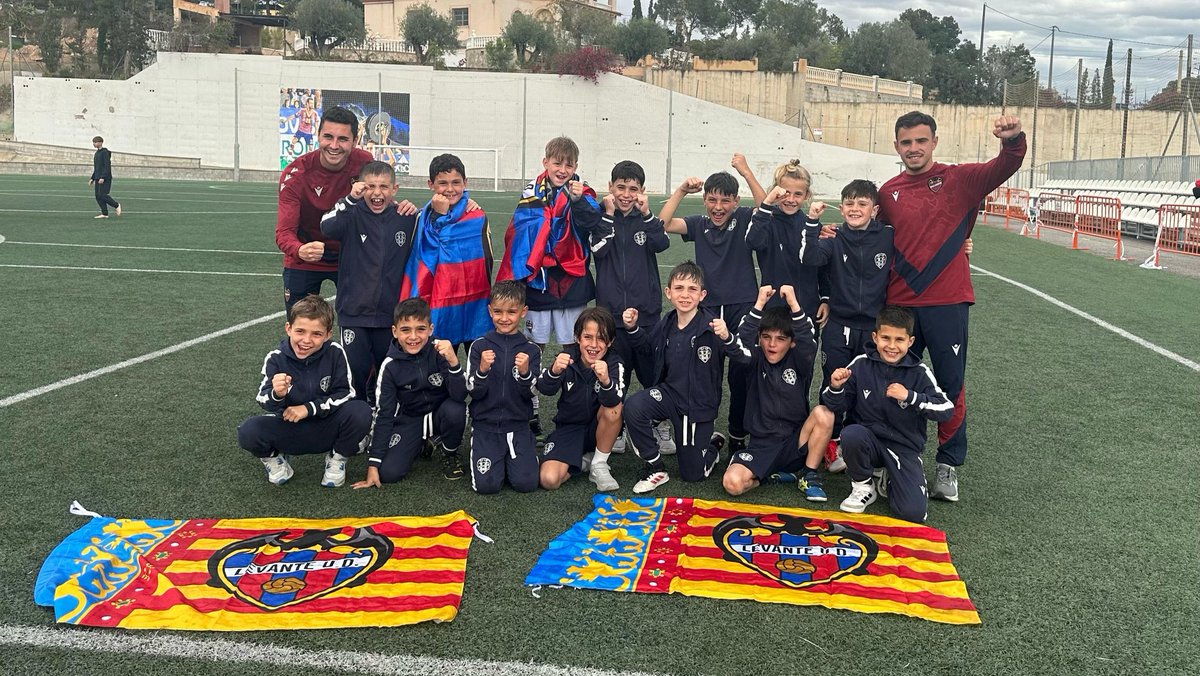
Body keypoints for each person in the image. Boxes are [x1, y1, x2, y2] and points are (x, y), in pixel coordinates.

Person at [879, 111, 1025, 502]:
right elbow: (872, 238)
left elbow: (1006, 164)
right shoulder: (887, 192)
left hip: (948, 301)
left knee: (950, 384)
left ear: (934, 142)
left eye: (920, 141)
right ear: (896, 146)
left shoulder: (960, 179)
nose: (913, 148)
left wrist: (1012, 139)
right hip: (900, 303)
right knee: (895, 381)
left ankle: (947, 464)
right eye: (906, 142)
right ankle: (896, 457)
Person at [658, 154, 765, 457]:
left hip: (742, 306)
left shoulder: (744, 218)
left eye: (725, 201)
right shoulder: (699, 224)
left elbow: (765, 206)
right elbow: (662, 224)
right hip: (706, 309)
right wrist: (681, 190)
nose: (718, 207)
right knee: (705, 371)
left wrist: (745, 171)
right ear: (704, 200)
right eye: (712, 200)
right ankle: (704, 428)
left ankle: (737, 433)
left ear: (736, 202)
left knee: (742, 371)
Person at [497, 136, 602, 441]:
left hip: (572, 285)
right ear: (546, 163)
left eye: (569, 164)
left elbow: (593, 221)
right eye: (557, 163)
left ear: (576, 166)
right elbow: (518, 234)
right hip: (538, 285)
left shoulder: (583, 192)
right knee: (534, 349)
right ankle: (528, 409)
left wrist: (578, 200)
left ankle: (574, 410)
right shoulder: (531, 193)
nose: (563, 169)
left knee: (575, 349)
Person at [620, 261, 751, 493]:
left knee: (693, 475)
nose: (685, 295)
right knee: (634, 406)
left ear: (702, 295)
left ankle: (712, 446)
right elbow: (647, 348)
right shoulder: (667, 322)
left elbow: (744, 358)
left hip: (697, 406)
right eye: (679, 288)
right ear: (668, 292)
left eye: (692, 289)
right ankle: (655, 467)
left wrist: (727, 337)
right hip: (669, 395)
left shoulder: (713, 326)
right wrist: (632, 328)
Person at [820, 306, 954, 523]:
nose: (892, 346)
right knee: (852, 434)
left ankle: (891, 478)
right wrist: (836, 387)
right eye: (885, 338)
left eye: (899, 340)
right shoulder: (860, 364)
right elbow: (835, 405)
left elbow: (946, 409)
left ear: (910, 341)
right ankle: (863, 486)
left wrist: (910, 397)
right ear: (875, 337)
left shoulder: (919, 372)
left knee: (912, 513)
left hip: (903, 447)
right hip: (868, 441)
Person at [276, 106, 415, 311]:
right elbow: (284, 232)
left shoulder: (364, 163)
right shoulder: (295, 175)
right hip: (305, 257)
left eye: (342, 139)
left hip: (352, 255)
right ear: (318, 136)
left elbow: (380, 196)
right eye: (328, 137)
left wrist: (400, 206)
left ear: (355, 140)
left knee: (357, 320)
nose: (334, 145)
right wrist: (299, 249)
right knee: (301, 323)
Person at [799, 180, 893, 464]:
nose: (855, 209)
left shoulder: (888, 236)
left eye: (862, 204)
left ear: (874, 210)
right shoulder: (834, 237)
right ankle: (831, 440)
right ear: (841, 209)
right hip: (838, 326)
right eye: (849, 204)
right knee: (833, 382)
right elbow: (809, 257)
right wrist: (812, 222)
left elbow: (919, 249)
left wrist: (961, 248)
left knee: (869, 386)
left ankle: (859, 441)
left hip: (873, 328)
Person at [236, 294, 371, 487]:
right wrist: (277, 394)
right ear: (288, 328)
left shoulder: (335, 352)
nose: (306, 340)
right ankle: (275, 459)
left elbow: (346, 393)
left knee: (361, 411)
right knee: (248, 431)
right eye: (300, 331)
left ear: (328, 334)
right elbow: (263, 399)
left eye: (316, 334)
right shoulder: (276, 358)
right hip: (291, 427)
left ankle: (337, 458)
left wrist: (308, 408)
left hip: (327, 425)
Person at [722, 285, 834, 501]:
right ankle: (770, 477)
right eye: (766, 337)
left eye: (781, 339)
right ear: (759, 338)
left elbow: (808, 340)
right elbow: (741, 341)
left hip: (796, 442)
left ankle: (809, 475)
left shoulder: (800, 361)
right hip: (761, 446)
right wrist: (759, 304)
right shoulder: (753, 359)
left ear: (792, 342)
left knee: (824, 414)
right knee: (732, 483)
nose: (772, 344)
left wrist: (793, 303)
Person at [319, 160, 417, 402]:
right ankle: (359, 416)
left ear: (394, 189)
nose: (376, 193)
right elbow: (327, 227)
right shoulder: (350, 214)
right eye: (370, 186)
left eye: (383, 186)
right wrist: (350, 200)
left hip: (389, 315)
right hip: (354, 313)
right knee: (356, 373)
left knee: (388, 373)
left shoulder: (406, 217)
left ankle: (384, 416)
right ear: (360, 186)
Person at [352, 298, 468, 488]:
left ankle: (450, 453)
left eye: (420, 329)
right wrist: (374, 463)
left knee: (456, 410)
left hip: (441, 414)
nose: (413, 337)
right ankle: (422, 443)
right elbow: (384, 414)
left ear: (430, 329)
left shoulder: (440, 351)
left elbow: (460, 395)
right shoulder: (390, 366)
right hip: (410, 419)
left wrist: (454, 362)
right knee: (388, 473)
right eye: (405, 330)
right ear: (394, 331)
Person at [401, 154, 494, 350]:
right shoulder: (423, 217)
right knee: (439, 359)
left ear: (465, 183)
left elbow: (486, 260)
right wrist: (439, 216)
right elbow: (425, 256)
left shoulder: (477, 216)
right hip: (440, 301)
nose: (450, 189)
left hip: (474, 303)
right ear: (431, 184)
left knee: (478, 359)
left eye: (456, 182)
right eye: (443, 183)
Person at [591, 159, 669, 391]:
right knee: (614, 384)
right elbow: (599, 250)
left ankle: (657, 414)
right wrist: (608, 214)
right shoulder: (599, 217)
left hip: (646, 318)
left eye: (633, 189)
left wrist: (647, 214)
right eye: (620, 187)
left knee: (654, 380)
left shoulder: (646, 219)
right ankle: (615, 416)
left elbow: (662, 243)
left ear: (642, 191)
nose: (626, 195)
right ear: (610, 187)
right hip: (611, 319)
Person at [536, 307, 626, 492]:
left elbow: (615, 401)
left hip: (598, 429)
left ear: (610, 342)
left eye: (601, 338)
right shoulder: (567, 358)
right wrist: (554, 371)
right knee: (549, 480)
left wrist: (606, 381)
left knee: (614, 408)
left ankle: (599, 464)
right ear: (577, 338)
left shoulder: (614, 363)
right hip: (569, 429)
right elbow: (545, 389)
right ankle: (586, 461)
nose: (594, 345)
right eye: (587, 337)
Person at [465, 281, 542, 494]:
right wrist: (482, 370)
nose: (504, 318)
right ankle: (497, 458)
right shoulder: (479, 346)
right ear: (490, 311)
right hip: (486, 427)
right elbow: (473, 391)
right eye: (498, 312)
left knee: (526, 484)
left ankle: (521, 458)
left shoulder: (531, 350)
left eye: (512, 312)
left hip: (518, 425)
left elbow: (532, 393)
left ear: (523, 312)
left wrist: (525, 374)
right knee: (487, 487)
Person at [746, 160, 829, 322]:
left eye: (798, 194)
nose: (791, 199)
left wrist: (825, 297)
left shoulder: (812, 225)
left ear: (806, 195)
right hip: (773, 309)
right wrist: (767, 204)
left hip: (806, 308)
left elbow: (822, 267)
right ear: (776, 191)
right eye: (786, 192)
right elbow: (753, 242)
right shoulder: (765, 220)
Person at [89, 136, 121, 219]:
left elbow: (107, 166)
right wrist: (93, 178)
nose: (94, 144)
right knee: (98, 196)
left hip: (105, 178)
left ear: (100, 142)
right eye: (93, 142)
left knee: (102, 195)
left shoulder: (105, 152)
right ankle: (105, 213)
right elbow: (97, 167)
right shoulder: (97, 153)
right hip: (97, 177)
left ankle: (116, 205)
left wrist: (103, 177)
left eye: (95, 142)